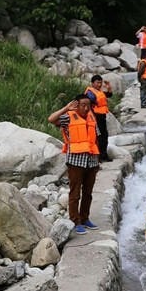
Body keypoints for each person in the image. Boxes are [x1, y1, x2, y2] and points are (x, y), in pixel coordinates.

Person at [48, 94, 100, 234]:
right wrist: (66, 108)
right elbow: (51, 119)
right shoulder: (68, 117)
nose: (85, 108)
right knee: (75, 193)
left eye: (88, 105)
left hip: (91, 161)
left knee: (88, 193)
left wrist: (98, 160)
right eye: (82, 105)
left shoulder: (91, 117)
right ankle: (75, 221)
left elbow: (96, 138)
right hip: (76, 161)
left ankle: (85, 218)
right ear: (76, 105)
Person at [85, 74, 113, 162]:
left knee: (104, 136)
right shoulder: (90, 92)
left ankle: (104, 155)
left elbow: (108, 95)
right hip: (95, 117)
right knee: (98, 137)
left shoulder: (99, 91)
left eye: (100, 83)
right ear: (92, 83)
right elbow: (90, 102)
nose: (99, 84)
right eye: (97, 83)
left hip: (102, 116)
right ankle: (99, 156)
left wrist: (108, 87)